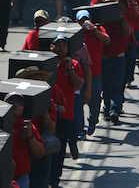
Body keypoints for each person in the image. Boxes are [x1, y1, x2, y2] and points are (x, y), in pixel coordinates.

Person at [49, 34, 84, 188]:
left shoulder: (74, 64)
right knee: (48, 148)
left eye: (64, 45)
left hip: (65, 114)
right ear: (52, 47)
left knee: (60, 149)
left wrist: (70, 69)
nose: (61, 48)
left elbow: (78, 85)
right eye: (58, 45)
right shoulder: (47, 63)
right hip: (48, 114)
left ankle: (55, 180)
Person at [76, 10, 110, 136]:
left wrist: (94, 30)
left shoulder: (98, 29)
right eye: (81, 20)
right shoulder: (75, 33)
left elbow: (107, 41)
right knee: (77, 103)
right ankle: (80, 129)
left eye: (86, 19)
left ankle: (92, 121)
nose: (83, 22)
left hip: (95, 73)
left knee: (95, 101)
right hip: (78, 74)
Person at [6, 92, 45, 188]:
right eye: (11, 102)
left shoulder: (27, 126)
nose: (15, 105)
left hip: (20, 177)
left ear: (23, 108)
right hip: (0, 177)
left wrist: (30, 137)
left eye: (19, 103)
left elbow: (40, 153)